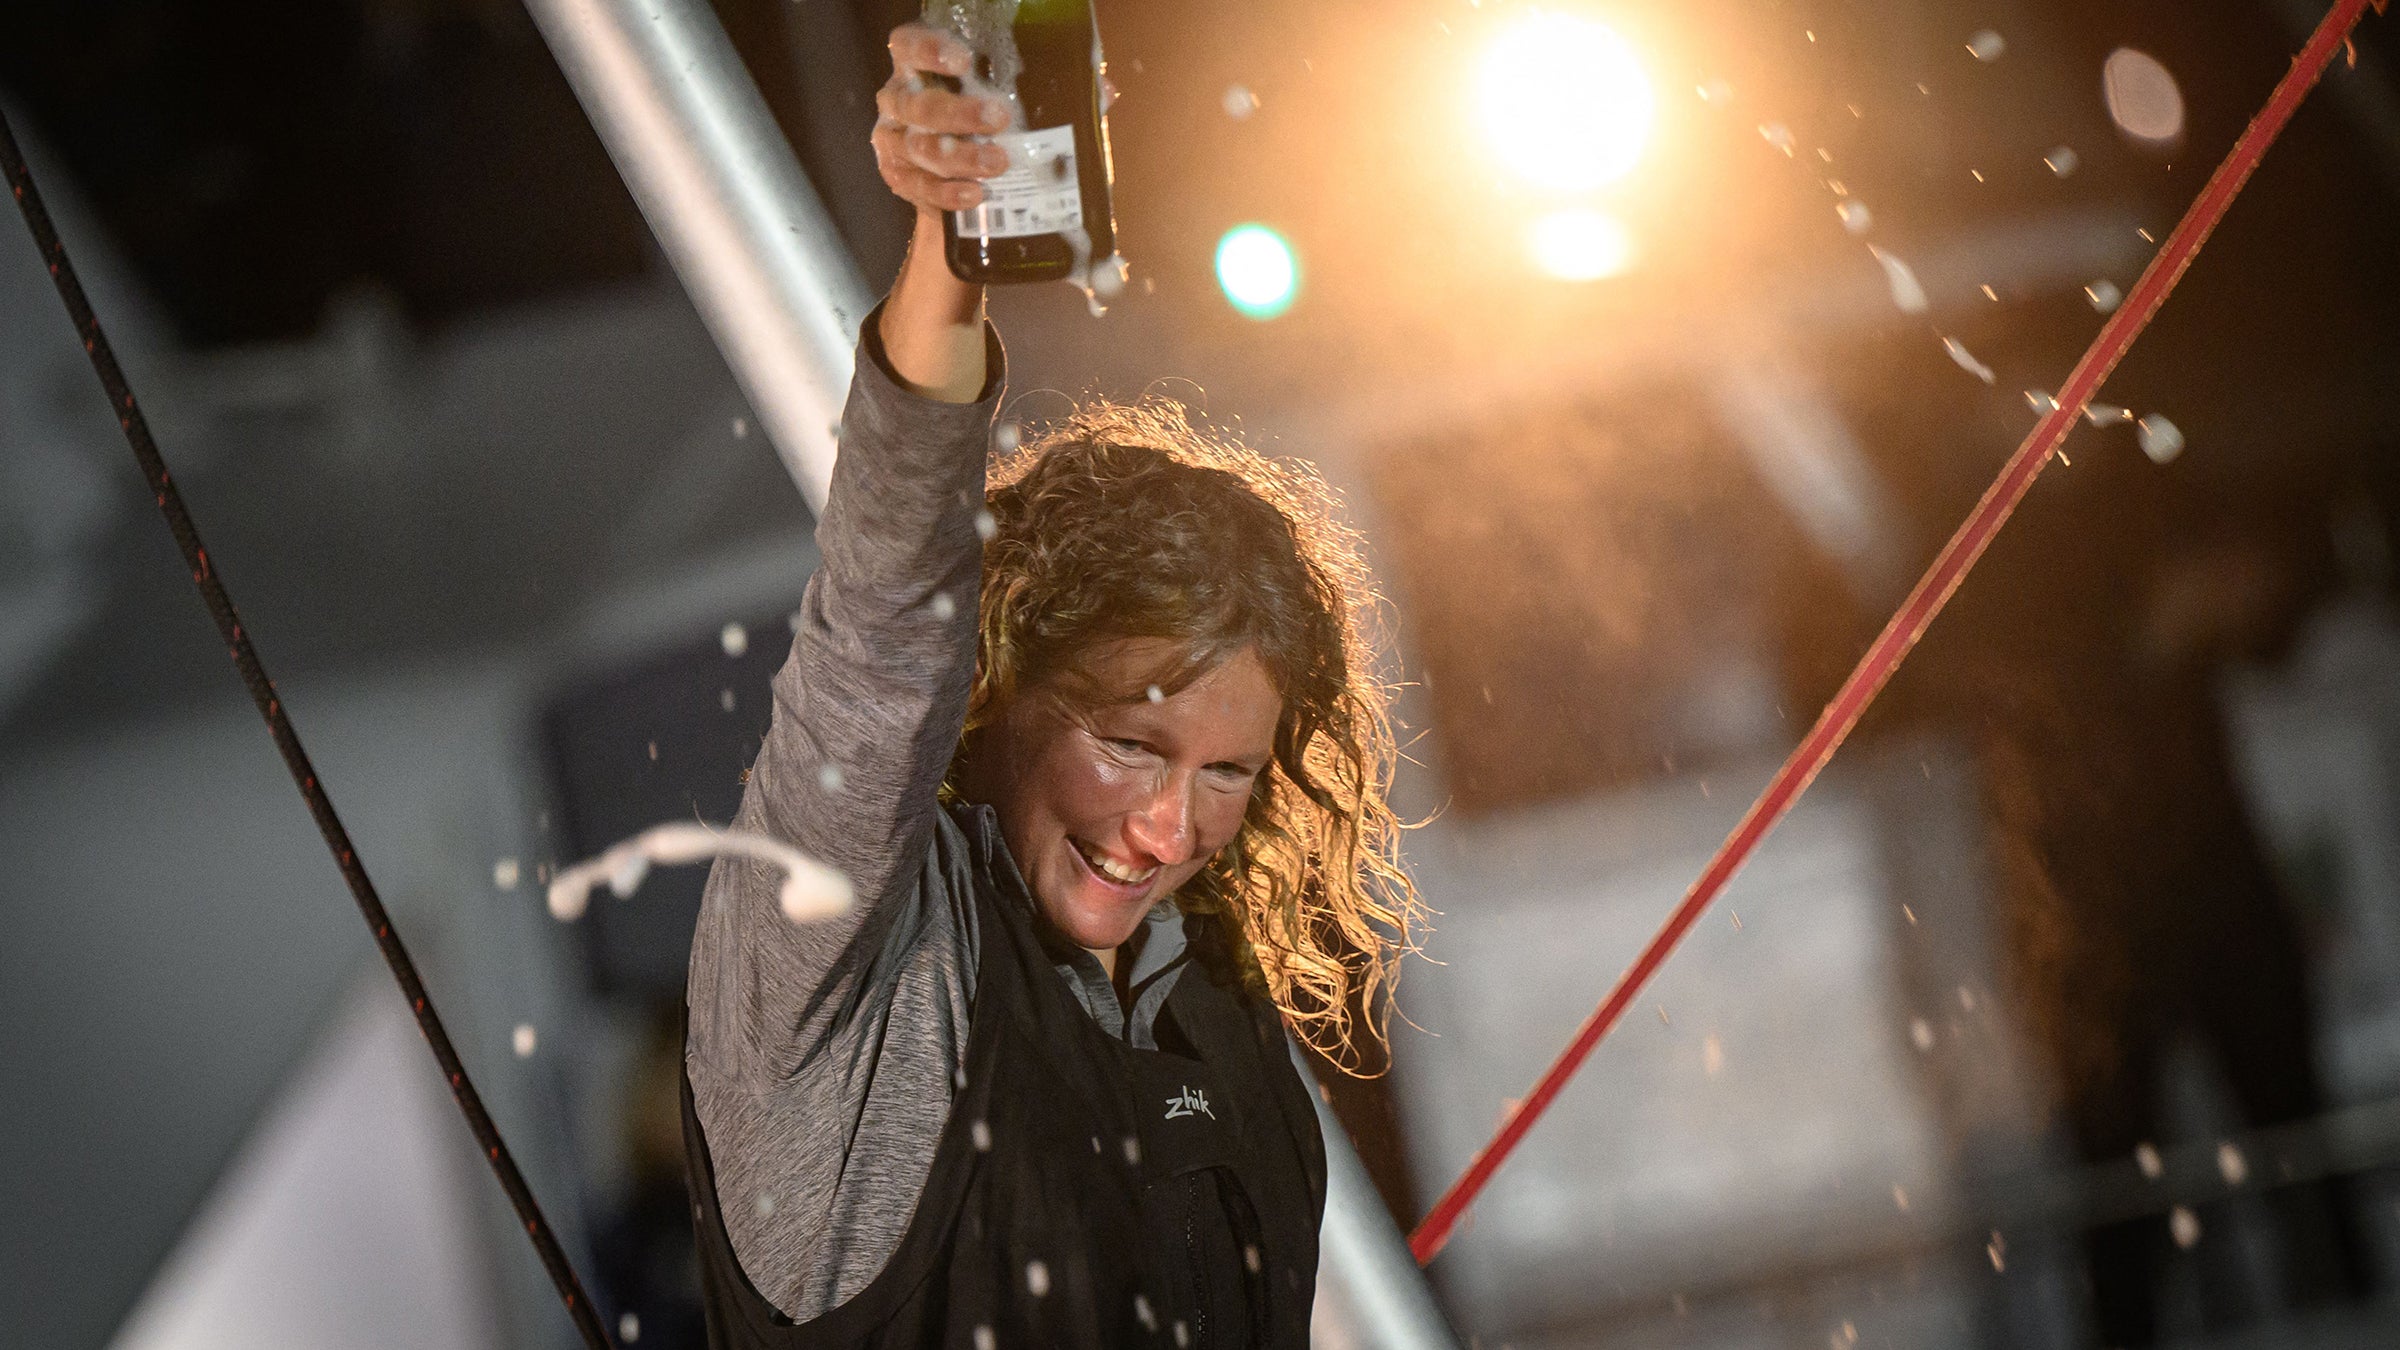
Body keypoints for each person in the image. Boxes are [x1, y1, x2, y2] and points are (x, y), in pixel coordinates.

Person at [679, 21, 1423, 1347]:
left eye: (1228, 772)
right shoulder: (845, 968)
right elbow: (881, 624)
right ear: (1000, 677)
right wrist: (948, 250)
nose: (1169, 829)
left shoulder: (1211, 1009)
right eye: (1131, 744)